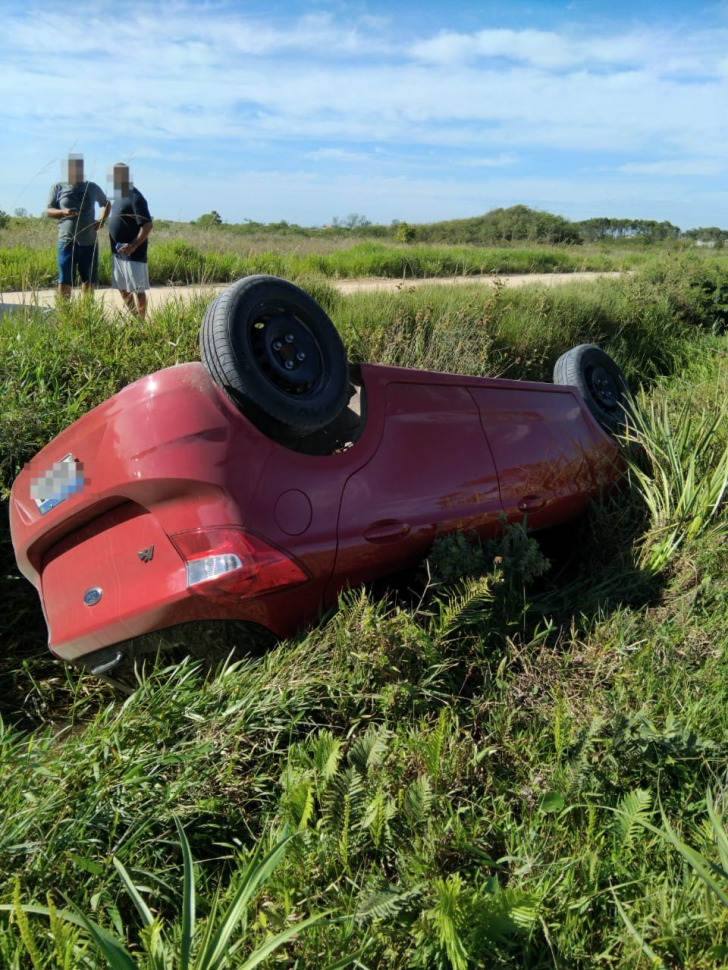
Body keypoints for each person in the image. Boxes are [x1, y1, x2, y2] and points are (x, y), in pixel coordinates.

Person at [46, 154, 110, 300]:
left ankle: (85, 313)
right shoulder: (58, 187)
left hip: (89, 242)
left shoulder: (92, 187)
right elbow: (48, 211)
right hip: (66, 242)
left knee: (88, 280)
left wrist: (102, 220)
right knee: (64, 280)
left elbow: (106, 203)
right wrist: (63, 212)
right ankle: (65, 313)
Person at [108, 163, 153, 319]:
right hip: (118, 253)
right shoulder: (118, 198)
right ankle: (134, 317)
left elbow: (147, 225)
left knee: (138, 289)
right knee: (122, 287)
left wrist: (133, 246)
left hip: (134, 254)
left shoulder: (136, 197)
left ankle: (141, 322)